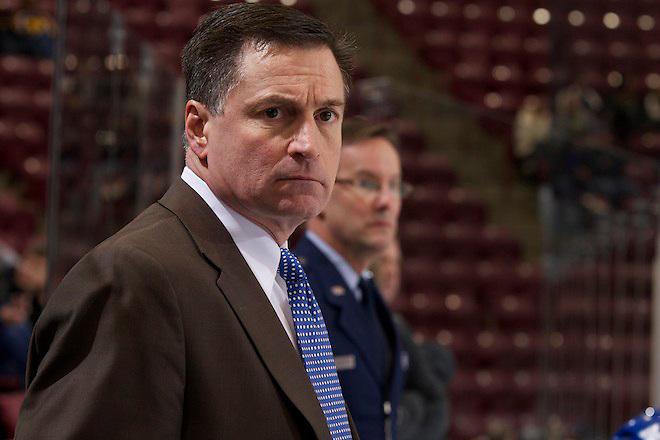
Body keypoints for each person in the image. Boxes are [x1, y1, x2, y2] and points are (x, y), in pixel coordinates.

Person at [15, 4, 359, 440]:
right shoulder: (132, 279)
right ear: (199, 128)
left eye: (326, 115)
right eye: (275, 113)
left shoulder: (284, 277)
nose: (307, 144)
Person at [293, 118, 409, 440]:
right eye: (367, 184)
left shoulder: (366, 292)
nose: (387, 202)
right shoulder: (293, 289)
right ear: (322, 188)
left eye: (395, 186)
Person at [371, 240, 454, 440]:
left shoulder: (397, 325)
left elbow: (436, 399)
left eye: (396, 263)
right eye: (383, 262)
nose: (391, 272)